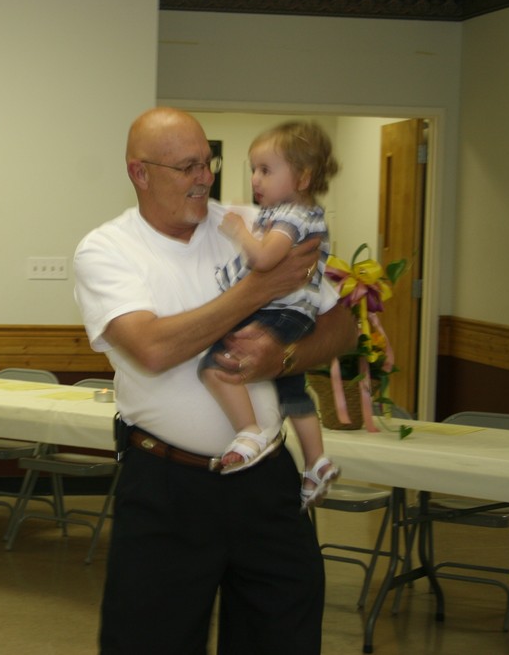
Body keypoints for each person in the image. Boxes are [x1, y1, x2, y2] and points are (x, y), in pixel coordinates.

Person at [73, 107, 355, 654]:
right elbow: (154, 348)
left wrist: (283, 355)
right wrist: (255, 290)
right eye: (186, 167)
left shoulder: (254, 224)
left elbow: (341, 325)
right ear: (140, 173)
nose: (205, 177)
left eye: (208, 162)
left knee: (285, 636)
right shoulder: (107, 250)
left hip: (266, 481)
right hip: (167, 487)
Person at [200, 121, 341, 511]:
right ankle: (317, 462)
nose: (255, 180)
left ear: (303, 176)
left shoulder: (291, 218)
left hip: (280, 313)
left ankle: (249, 433)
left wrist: (240, 232)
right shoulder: (299, 214)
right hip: (296, 314)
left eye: (265, 170)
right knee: (293, 392)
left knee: (215, 368)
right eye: (253, 169)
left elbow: (263, 260)